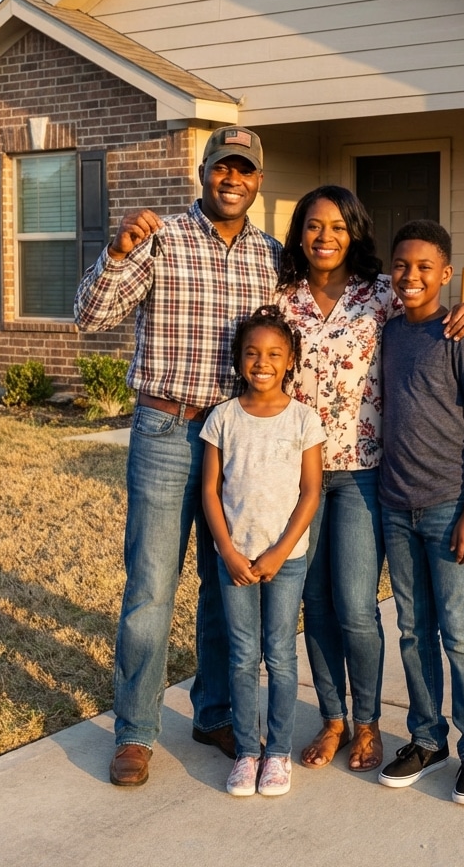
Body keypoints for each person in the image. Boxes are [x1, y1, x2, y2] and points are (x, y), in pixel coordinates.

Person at [73, 126, 279, 787]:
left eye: (244, 171)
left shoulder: (271, 257)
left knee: (225, 586)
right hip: (165, 430)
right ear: (204, 171)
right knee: (151, 587)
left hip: (235, 437)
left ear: (257, 181)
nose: (232, 180)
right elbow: (90, 316)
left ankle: (214, 712)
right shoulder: (161, 240)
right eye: (223, 168)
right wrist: (116, 250)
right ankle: (134, 731)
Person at [275, 187, 464, 773]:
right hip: (300, 476)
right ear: (300, 233)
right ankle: (333, 718)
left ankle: (368, 722)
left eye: (338, 227)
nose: (324, 237)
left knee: (356, 608)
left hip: (365, 476)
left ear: (354, 233)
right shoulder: (281, 298)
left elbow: (431, 304)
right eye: (314, 226)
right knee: (314, 606)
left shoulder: (380, 294)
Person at [376, 219, 464, 806]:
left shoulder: (460, 335)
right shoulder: (389, 331)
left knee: (462, 633)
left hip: (449, 506)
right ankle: (427, 739)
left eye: (425, 267)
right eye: (402, 265)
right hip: (396, 505)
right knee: (411, 630)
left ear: (445, 274)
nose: (411, 276)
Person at [200, 307, 325, 797]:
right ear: (238, 360)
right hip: (234, 559)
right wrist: (228, 552)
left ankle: (278, 754)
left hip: (286, 560)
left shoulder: (303, 420)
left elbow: (311, 492)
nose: (262, 362)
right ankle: (248, 751)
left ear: (290, 360)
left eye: (274, 353)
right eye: (252, 352)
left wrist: (278, 553)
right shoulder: (223, 418)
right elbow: (210, 492)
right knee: (242, 655)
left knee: (279, 654)